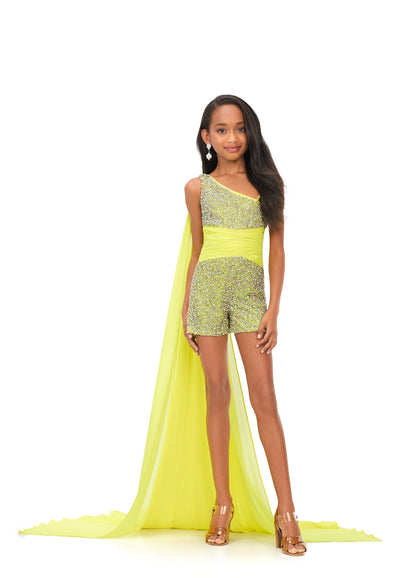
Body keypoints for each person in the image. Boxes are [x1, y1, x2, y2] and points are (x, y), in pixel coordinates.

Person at [181, 94, 306, 554]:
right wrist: (187, 306)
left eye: (239, 128)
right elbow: (197, 249)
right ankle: (223, 504)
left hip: (251, 297)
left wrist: (273, 309)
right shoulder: (197, 188)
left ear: (250, 132)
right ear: (206, 137)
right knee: (216, 393)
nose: (231, 137)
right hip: (208, 296)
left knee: (264, 399)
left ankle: (286, 511)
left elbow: (277, 249)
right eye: (221, 129)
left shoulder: (267, 184)